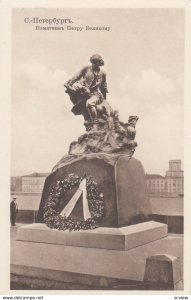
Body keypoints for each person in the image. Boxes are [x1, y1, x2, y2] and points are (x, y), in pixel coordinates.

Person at [64, 54, 109, 129]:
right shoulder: (86, 69)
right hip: (83, 93)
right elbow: (75, 78)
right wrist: (70, 85)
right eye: (94, 63)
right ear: (92, 62)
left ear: (99, 64)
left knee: (90, 104)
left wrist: (104, 100)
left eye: (97, 63)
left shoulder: (103, 73)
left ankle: (95, 123)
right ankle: (89, 125)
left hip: (95, 94)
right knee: (84, 110)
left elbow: (103, 87)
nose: (95, 65)